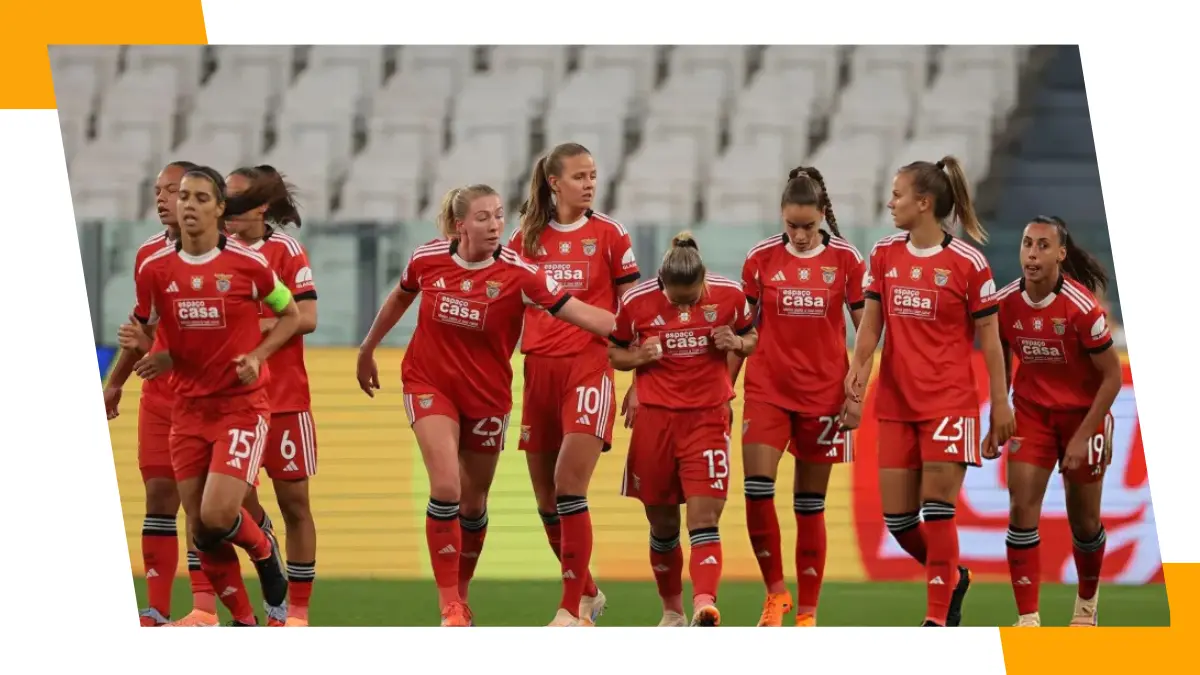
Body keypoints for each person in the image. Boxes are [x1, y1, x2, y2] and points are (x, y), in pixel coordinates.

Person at [355, 185, 618, 627]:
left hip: (487, 396)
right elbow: (401, 295)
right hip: (429, 383)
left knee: (473, 504)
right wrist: (368, 348)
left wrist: (643, 329)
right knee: (445, 487)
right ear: (461, 226)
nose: (495, 225)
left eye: (498, 216)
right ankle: (451, 607)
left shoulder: (520, 271)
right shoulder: (428, 258)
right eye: (483, 218)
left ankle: (477, 596)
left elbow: (579, 311)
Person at [124, 166, 299, 626]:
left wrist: (259, 355)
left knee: (218, 514)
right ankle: (242, 621)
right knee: (201, 531)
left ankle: (264, 551)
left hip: (240, 409)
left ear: (220, 209)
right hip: (186, 410)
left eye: (201, 198)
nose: (188, 205)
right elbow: (150, 330)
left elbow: (292, 313)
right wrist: (147, 355)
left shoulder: (249, 263)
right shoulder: (153, 268)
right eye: (184, 196)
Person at [846, 156, 1015, 627]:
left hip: (949, 404)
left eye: (898, 194)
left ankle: (937, 621)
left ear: (924, 203)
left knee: (938, 513)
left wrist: (1000, 402)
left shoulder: (968, 263)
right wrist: (858, 372)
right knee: (899, 522)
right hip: (897, 402)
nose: (890, 202)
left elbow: (992, 340)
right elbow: (871, 324)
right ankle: (951, 576)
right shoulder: (883, 253)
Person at [510, 143, 642, 626]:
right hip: (538, 370)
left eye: (593, 175)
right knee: (546, 500)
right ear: (554, 183)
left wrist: (638, 378)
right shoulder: (525, 238)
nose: (589, 184)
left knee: (569, 488)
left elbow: (635, 314)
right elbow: (506, 307)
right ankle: (588, 591)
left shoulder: (610, 234)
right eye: (579, 176)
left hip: (588, 368)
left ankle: (572, 609)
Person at [733, 167, 866, 627]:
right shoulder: (760, 259)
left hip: (825, 396)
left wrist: (856, 393)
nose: (802, 234)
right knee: (756, 490)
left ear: (822, 216)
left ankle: (807, 612)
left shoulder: (847, 259)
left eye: (809, 226)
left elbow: (866, 333)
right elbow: (744, 334)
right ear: (782, 217)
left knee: (809, 505)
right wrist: (720, 391)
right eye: (793, 225)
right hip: (768, 390)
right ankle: (775, 594)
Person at [609, 232, 757, 628]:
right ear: (661, 283)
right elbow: (614, 351)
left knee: (704, 517)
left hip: (707, 418)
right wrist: (640, 356)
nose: (686, 306)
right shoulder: (635, 302)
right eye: (677, 300)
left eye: (693, 297)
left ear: (704, 281)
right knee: (663, 525)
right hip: (655, 421)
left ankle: (704, 604)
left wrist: (737, 344)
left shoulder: (729, 295)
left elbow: (753, 336)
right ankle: (671, 612)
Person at [991, 216, 1121, 627]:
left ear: (1061, 254)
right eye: (1027, 243)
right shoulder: (1005, 302)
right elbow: (1000, 355)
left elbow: (1113, 377)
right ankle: (1028, 620)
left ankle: (1086, 609)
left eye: (1043, 245)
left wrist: (1084, 436)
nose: (1032, 253)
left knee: (1083, 522)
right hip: (1031, 414)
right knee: (1020, 507)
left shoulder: (1083, 309)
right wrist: (1001, 408)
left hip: (1083, 417)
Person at [104, 160, 217, 626]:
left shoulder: (220, 256)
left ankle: (206, 606)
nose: (163, 197)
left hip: (204, 398)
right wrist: (115, 381)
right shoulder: (149, 256)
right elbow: (142, 326)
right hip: (159, 396)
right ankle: (155, 610)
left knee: (202, 507)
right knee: (158, 497)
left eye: (174, 189)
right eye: (160, 190)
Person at [225, 165, 319, 627]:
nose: (226, 209)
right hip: (230, 402)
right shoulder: (213, 253)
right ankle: (264, 544)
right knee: (231, 500)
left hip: (284, 397)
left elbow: (307, 316)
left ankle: (295, 612)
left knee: (296, 505)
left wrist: (254, 328)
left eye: (236, 200)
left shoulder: (284, 250)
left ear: (262, 207)